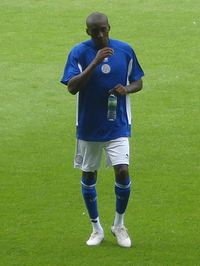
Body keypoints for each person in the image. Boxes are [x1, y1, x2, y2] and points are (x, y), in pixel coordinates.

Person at [60, 12, 144, 248]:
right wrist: (95, 62)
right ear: (88, 32)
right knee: (89, 175)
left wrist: (126, 89)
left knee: (122, 172)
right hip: (88, 126)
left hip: (117, 125)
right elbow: (72, 87)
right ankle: (96, 228)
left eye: (103, 30)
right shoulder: (79, 53)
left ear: (109, 27)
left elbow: (138, 80)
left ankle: (118, 225)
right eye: (94, 32)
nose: (100, 35)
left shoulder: (125, 50)